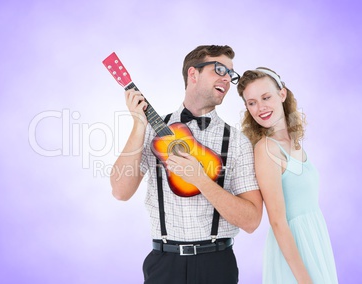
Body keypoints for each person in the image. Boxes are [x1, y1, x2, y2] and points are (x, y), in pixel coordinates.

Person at [110, 45, 263, 284]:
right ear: (193, 74)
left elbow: (252, 221)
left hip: (217, 264)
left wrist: (201, 180)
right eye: (220, 69)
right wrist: (139, 124)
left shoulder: (237, 142)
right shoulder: (153, 131)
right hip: (163, 264)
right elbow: (120, 191)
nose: (227, 79)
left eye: (231, 75)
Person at [237, 67, 338, 283]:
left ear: (282, 94)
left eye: (266, 97)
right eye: (251, 102)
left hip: (314, 243)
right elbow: (277, 222)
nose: (260, 108)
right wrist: (304, 279)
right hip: (293, 254)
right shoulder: (266, 149)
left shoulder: (294, 144)